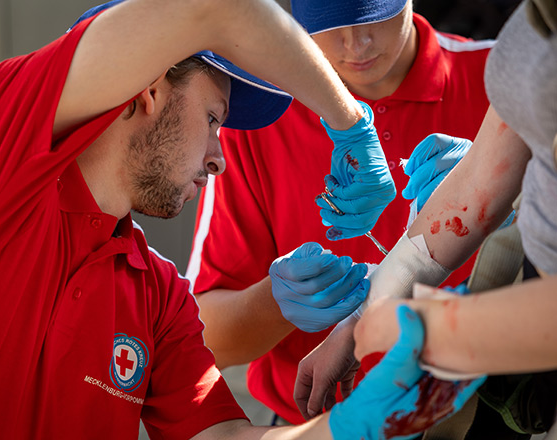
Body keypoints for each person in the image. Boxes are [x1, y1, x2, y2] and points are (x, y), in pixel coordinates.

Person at [0, 0, 479, 438]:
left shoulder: (157, 296)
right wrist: (350, 123)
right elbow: (213, 7)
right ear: (147, 90)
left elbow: (224, 436)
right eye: (212, 118)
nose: (220, 158)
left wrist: (354, 422)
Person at [186, 0, 492, 425]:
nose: (356, 44)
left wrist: (504, 187)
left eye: (372, 16)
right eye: (332, 25)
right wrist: (277, 302)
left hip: (482, 414)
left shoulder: (503, 82)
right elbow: (206, 340)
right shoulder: (259, 116)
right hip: (312, 419)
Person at [303, 0, 557, 436]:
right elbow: (480, 178)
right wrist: (361, 316)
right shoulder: (534, 22)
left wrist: (425, 330)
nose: (356, 44)